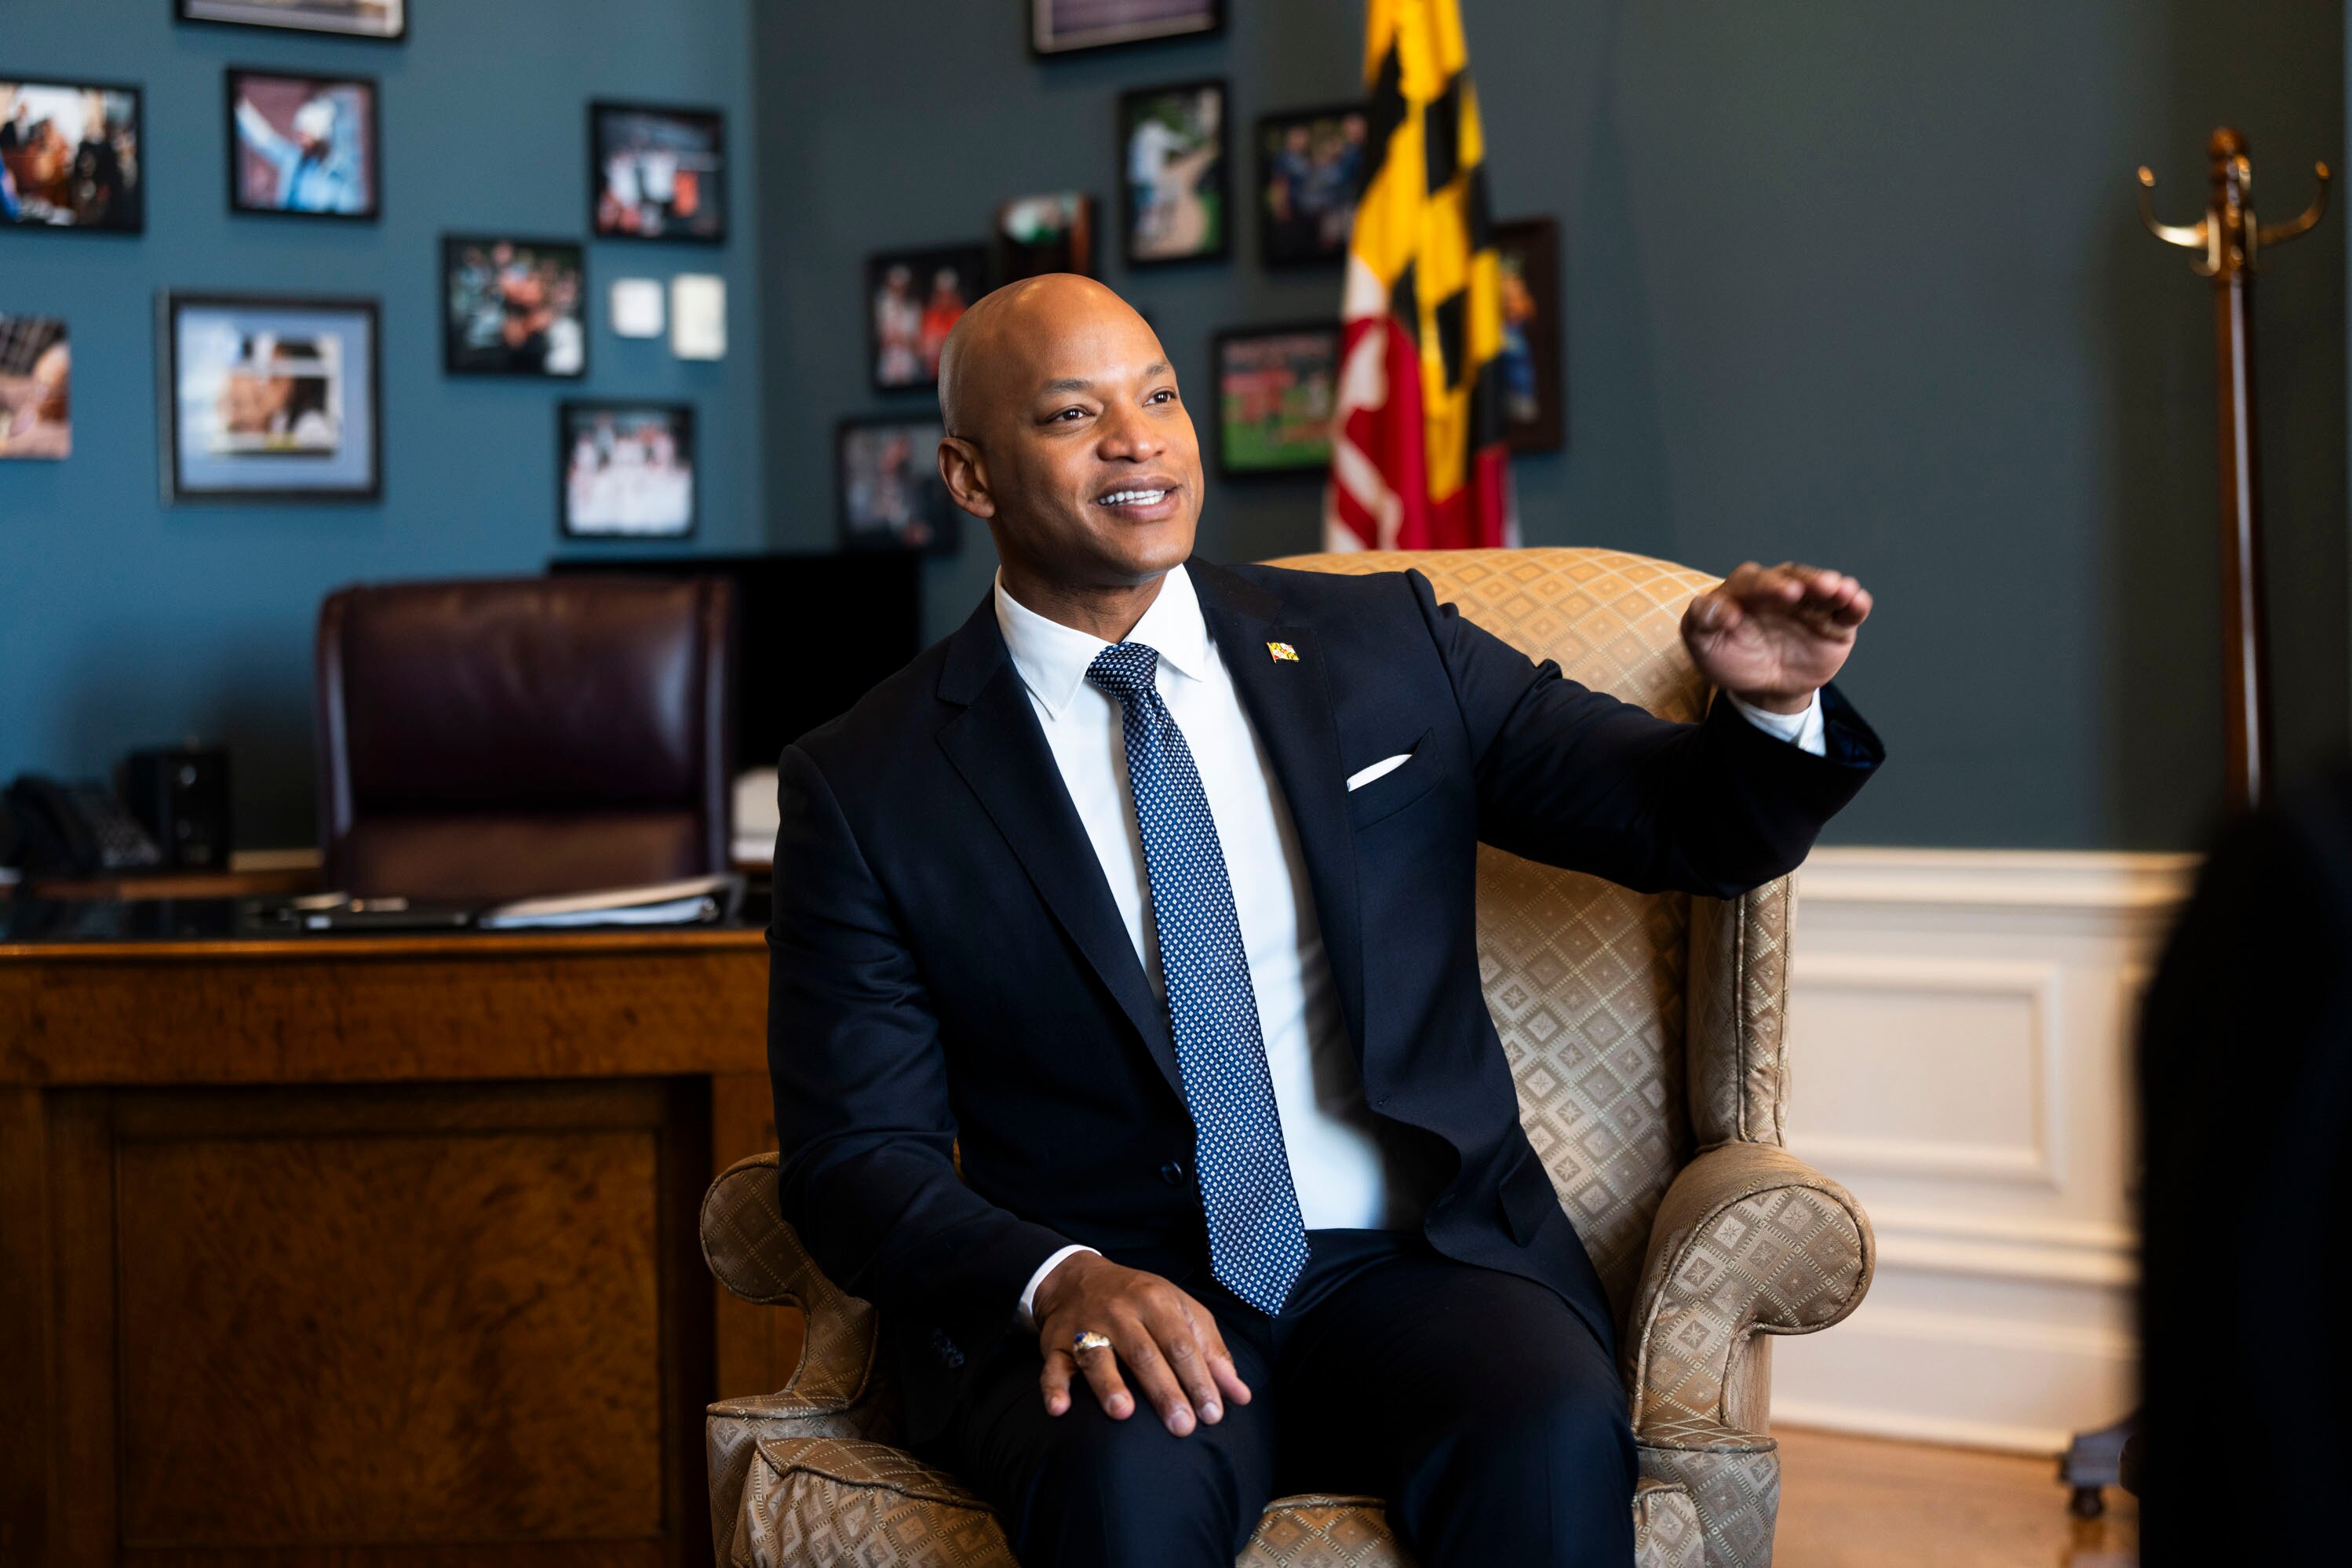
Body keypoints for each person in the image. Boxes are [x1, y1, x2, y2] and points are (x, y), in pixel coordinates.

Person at [768, 273, 1882, 1568]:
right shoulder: (869, 780)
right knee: (1122, 1493)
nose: (1139, 438)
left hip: (1417, 1262)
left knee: (1543, 1433)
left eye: (1160, 397)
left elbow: (1685, 827)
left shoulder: (1381, 645)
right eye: (1074, 415)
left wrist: (1765, 710)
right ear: (971, 477)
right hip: (1115, 1286)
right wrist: (1056, 1275)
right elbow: (855, 1155)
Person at [235, 90, 364, 215]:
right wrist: (240, 108)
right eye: (300, 133)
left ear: (319, 136)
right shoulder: (293, 159)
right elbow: (265, 140)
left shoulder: (339, 175)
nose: (300, 140)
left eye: (305, 135)